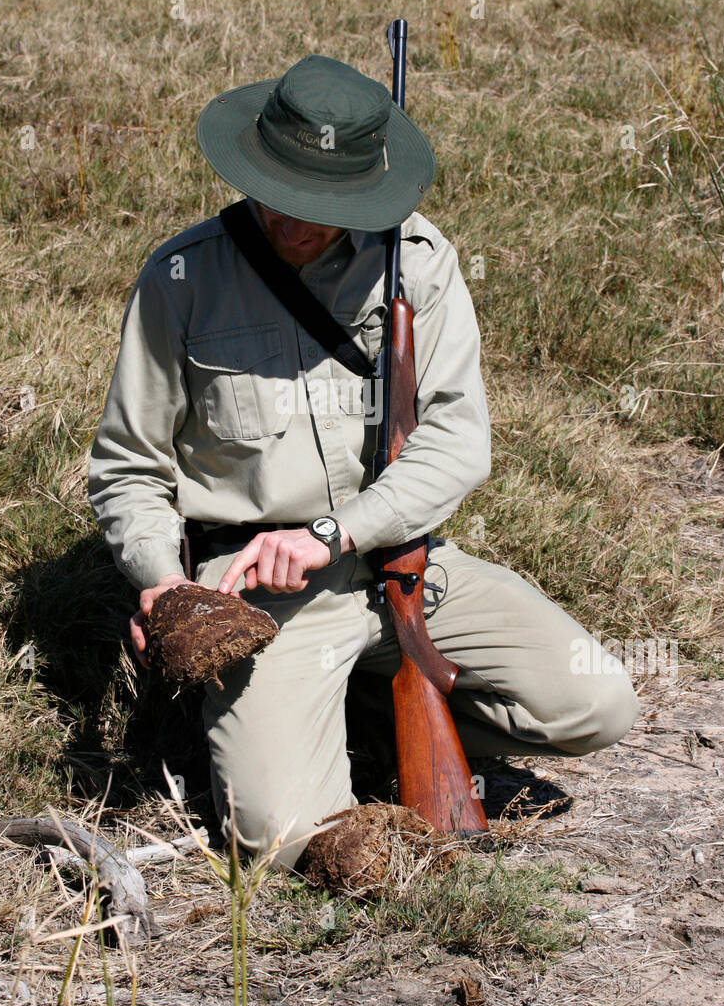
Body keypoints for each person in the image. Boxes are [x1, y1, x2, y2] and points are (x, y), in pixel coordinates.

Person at [88, 53, 639, 866]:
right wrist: (163, 584)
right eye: (278, 193)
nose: (293, 222)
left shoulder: (418, 262)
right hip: (259, 600)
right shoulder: (182, 276)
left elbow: (457, 443)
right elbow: (128, 465)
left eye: (320, 205)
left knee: (598, 703)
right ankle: (301, 727)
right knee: (276, 833)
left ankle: (366, 720)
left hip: (400, 562)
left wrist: (336, 531)